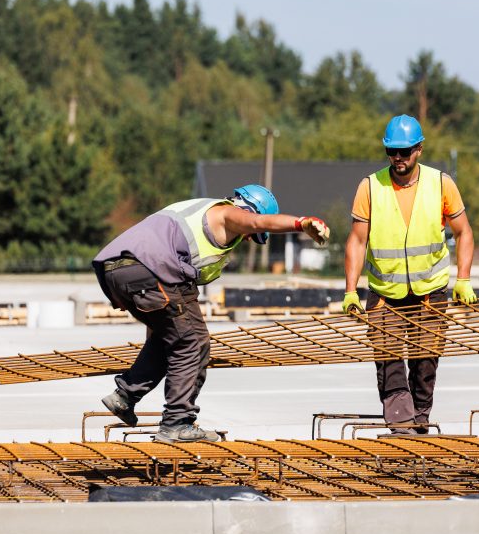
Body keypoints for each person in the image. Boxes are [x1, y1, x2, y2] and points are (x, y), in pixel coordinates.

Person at [93, 185, 330, 443]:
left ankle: (124, 396)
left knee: (172, 339)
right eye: (253, 234)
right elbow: (257, 221)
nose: (248, 238)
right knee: (193, 344)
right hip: (152, 270)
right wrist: (301, 223)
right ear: (246, 207)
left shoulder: (192, 210)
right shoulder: (227, 213)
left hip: (118, 271)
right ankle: (177, 423)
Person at [342, 114, 476, 434]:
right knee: (388, 361)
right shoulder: (371, 187)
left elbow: (464, 233)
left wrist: (464, 279)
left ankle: (420, 419)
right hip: (385, 294)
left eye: (404, 152)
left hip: (429, 292)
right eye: (392, 152)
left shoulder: (441, 183)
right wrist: (350, 290)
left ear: (420, 149)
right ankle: (401, 424)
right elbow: (357, 241)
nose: (398, 159)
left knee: (425, 360)